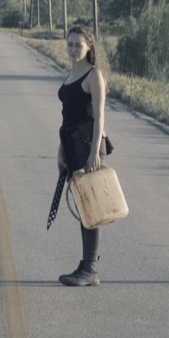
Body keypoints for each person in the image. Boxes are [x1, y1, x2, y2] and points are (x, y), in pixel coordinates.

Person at [55, 25, 108, 286]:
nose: (74, 49)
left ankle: (91, 269)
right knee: (82, 206)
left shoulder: (93, 75)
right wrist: (61, 150)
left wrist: (94, 153)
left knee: (91, 207)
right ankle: (87, 264)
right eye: (71, 44)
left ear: (89, 47)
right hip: (71, 146)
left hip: (87, 146)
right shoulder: (72, 72)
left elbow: (99, 117)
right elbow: (67, 116)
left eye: (79, 45)